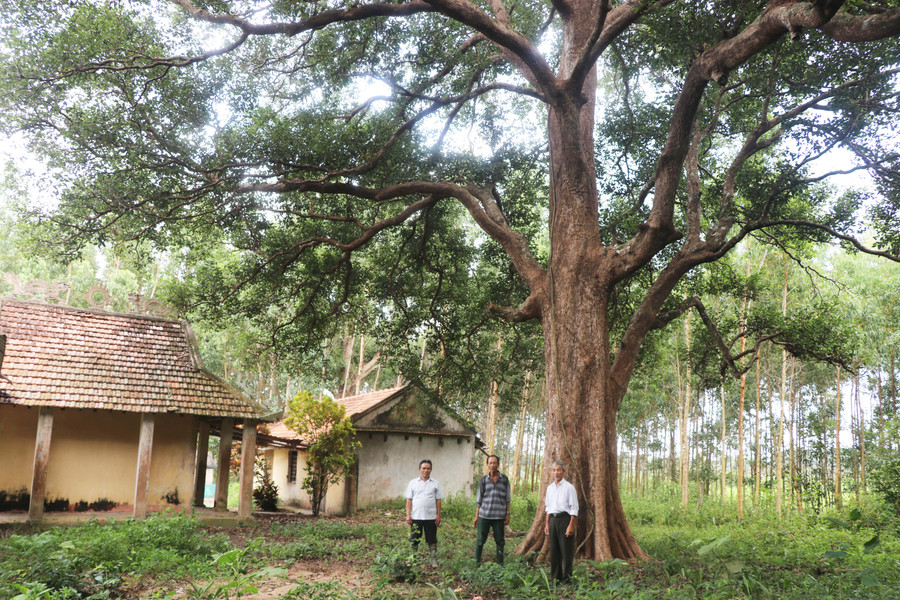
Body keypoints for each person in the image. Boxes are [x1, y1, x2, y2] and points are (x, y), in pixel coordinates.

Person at [543, 460, 578, 582]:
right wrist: (547, 524)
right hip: (553, 520)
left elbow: (574, 508)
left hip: (565, 520)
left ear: (563, 472)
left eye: (558, 470)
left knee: (566, 551)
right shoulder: (550, 488)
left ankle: (567, 578)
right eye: (554, 470)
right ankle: (556, 578)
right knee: (554, 551)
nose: (556, 473)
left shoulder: (569, 488)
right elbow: (548, 507)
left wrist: (571, 526)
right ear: (551, 472)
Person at [473, 454, 511, 565]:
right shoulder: (483, 479)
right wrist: (477, 516)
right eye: (490, 463)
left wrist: (507, 514)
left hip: (499, 516)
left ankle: (500, 564)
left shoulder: (504, 479)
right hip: (484, 515)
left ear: (498, 464)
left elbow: (507, 499)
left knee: (500, 541)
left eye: (494, 463)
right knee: (480, 541)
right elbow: (479, 499)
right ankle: (476, 562)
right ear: (487, 465)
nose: (492, 465)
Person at [404, 458, 444, 566]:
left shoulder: (436, 484)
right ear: (419, 469)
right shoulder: (413, 483)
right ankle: (412, 558)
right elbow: (409, 500)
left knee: (432, 539)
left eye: (428, 468)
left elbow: (438, 500)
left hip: (431, 517)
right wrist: (408, 515)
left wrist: (438, 515)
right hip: (416, 517)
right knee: (414, 539)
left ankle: (433, 560)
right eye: (423, 468)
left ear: (431, 470)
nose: (426, 470)